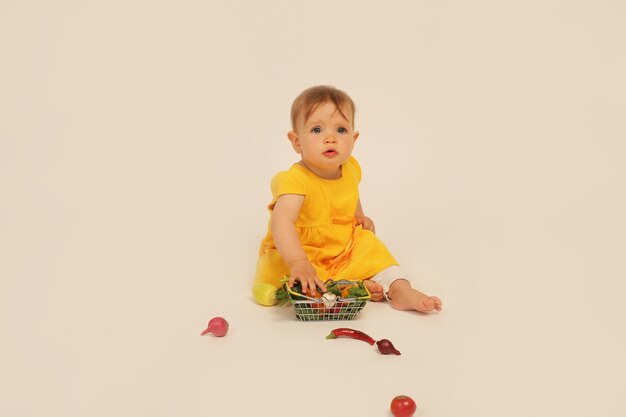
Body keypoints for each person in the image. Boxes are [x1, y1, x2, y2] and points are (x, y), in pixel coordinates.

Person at [253, 85, 442, 313]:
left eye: (341, 130)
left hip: (340, 242)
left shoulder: (350, 168)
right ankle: (352, 286)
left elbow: (351, 192)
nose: (330, 138)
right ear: (297, 142)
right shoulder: (295, 181)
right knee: (307, 279)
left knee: (372, 247)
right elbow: (281, 223)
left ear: (354, 138)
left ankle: (399, 288)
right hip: (302, 248)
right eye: (317, 130)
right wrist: (298, 262)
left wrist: (359, 216)